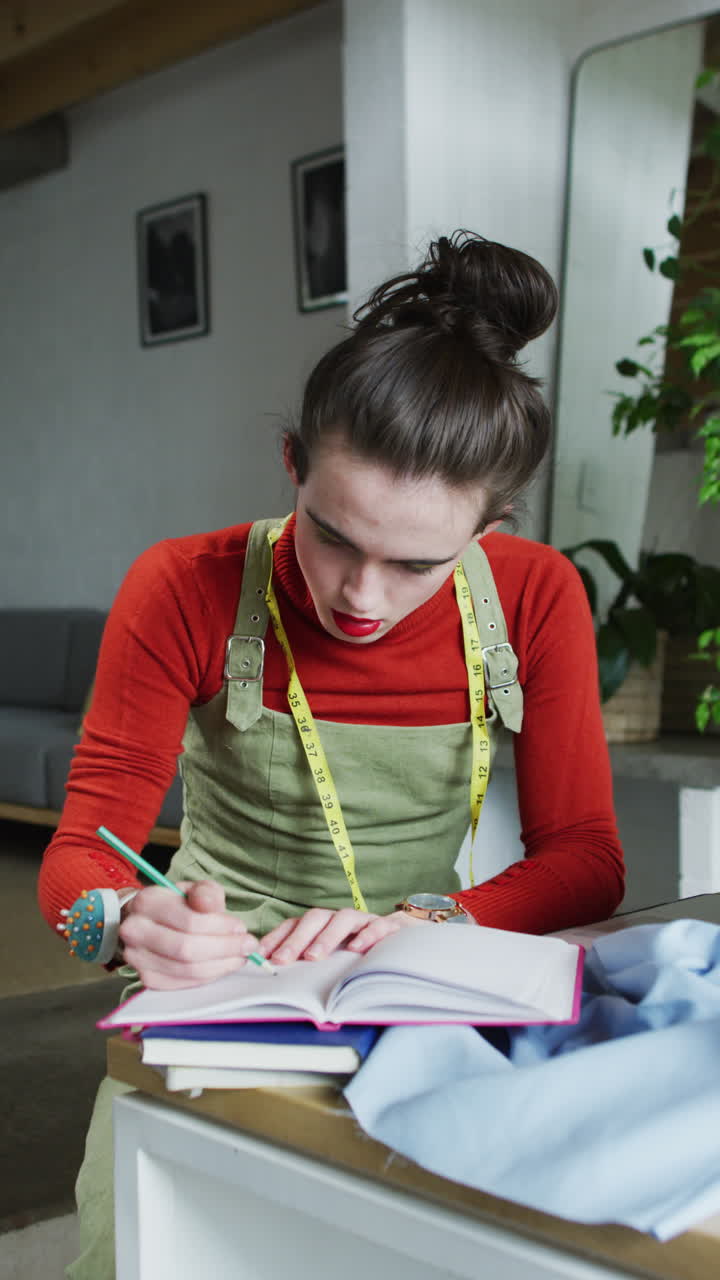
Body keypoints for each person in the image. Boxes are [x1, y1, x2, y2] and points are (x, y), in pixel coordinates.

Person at [39, 230, 624, 1278]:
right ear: (293, 466)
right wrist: (129, 917)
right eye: (333, 536)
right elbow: (81, 848)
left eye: (416, 563)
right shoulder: (185, 586)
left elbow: (587, 855)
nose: (361, 596)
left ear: (489, 525)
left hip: (421, 981)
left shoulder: (536, 596)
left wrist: (424, 922)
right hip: (217, 994)